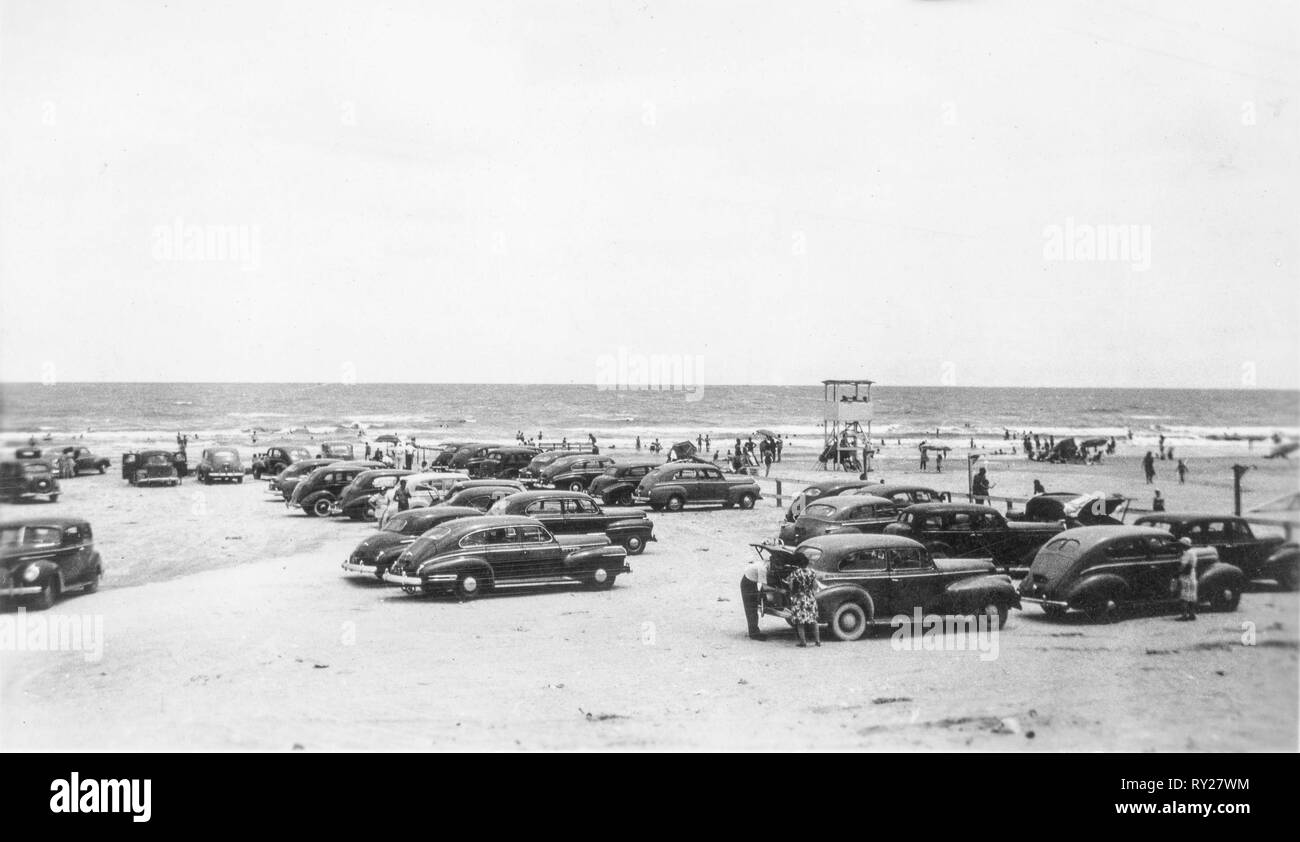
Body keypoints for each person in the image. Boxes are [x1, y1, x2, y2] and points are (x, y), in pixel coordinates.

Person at [784, 554, 821, 648]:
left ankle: (803, 642)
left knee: (800, 622)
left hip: (799, 599)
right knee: (813, 621)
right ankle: (817, 641)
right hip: (810, 598)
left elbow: (791, 586)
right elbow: (815, 586)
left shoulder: (795, 573)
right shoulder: (812, 572)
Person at [740, 555, 770, 640]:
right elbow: (765, 587)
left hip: (750, 581)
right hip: (748, 583)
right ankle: (754, 633)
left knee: (753, 607)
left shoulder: (766, 562)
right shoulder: (763, 569)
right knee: (751, 608)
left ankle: (754, 631)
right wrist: (779, 590)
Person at [1176, 537, 1198, 621]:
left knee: (1184, 597)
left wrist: (1177, 572)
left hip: (1186, 576)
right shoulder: (1193, 552)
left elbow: (1182, 566)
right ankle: (1192, 613)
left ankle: (1184, 615)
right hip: (1192, 575)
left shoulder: (1187, 554)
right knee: (1192, 596)